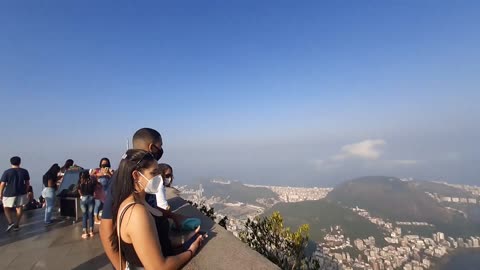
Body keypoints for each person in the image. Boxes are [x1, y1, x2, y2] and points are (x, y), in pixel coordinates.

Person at [111, 149, 203, 269]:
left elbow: (152, 242)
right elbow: (158, 267)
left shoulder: (137, 201)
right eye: (153, 173)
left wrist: (183, 239)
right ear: (136, 176)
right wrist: (191, 251)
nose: (158, 177)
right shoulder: (136, 212)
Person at [0, 156, 30, 232]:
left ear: (11, 162)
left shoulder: (7, 172)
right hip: (21, 192)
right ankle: (16, 224)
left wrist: (0, 193)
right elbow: (27, 183)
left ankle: (10, 222)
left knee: (6, 207)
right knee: (19, 207)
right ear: (20, 162)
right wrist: (26, 191)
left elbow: (2, 184)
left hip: (9, 193)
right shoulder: (24, 171)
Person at [78, 170, 95, 238]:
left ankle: (85, 232)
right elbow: (94, 188)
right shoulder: (91, 181)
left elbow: (78, 190)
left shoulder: (80, 182)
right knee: (91, 215)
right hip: (91, 198)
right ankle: (91, 231)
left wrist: (81, 195)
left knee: (84, 215)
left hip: (83, 199)